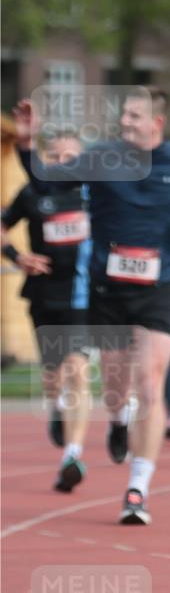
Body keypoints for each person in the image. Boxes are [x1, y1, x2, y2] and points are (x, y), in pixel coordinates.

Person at [13, 88, 170, 524]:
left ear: (156, 123)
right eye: (123, 116)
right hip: (109, 290)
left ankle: (137, 488)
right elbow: (45, 181)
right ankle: (118, 420)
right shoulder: (102, 157)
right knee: (118, 386)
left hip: (161, 287)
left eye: (134, 117)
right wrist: (27, 143)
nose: (125, 123)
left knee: (151, 382)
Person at [1, 130, 91, 492]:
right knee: (53, 375)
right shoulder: (34, 193)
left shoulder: (92, 193)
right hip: (43, 294)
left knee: (78, 369)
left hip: (82, 295)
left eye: (70, 155)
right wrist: (18, 257)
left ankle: (73, 452)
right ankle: (57, 410)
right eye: (54, 156)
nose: (62, 162)